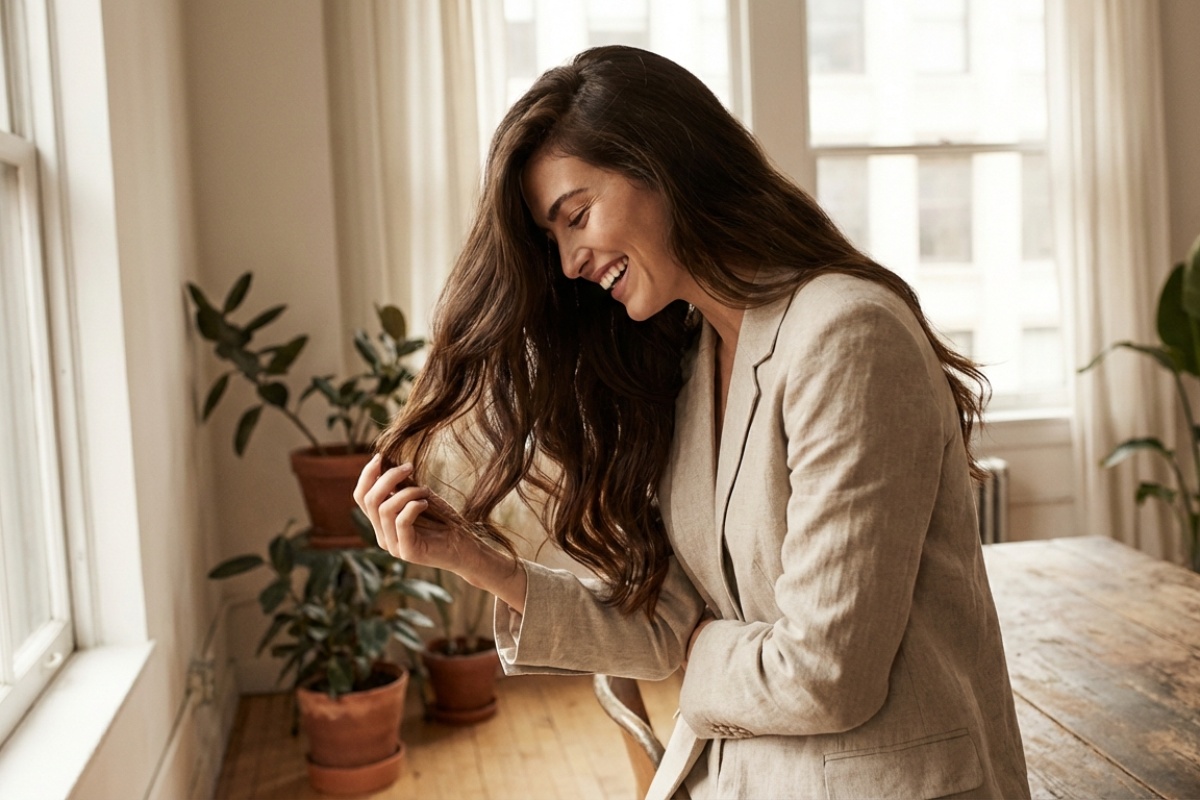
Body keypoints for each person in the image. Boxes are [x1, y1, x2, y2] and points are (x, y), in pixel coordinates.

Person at [354, 45, 1030, 800]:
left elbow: (826, 675)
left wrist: (696, 652)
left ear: (663, 164)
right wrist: (471, 558)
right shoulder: (691, 359)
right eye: (553, 240)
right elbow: (667, 619)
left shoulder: (847, 334)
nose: (570, 261)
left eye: (577, 216)